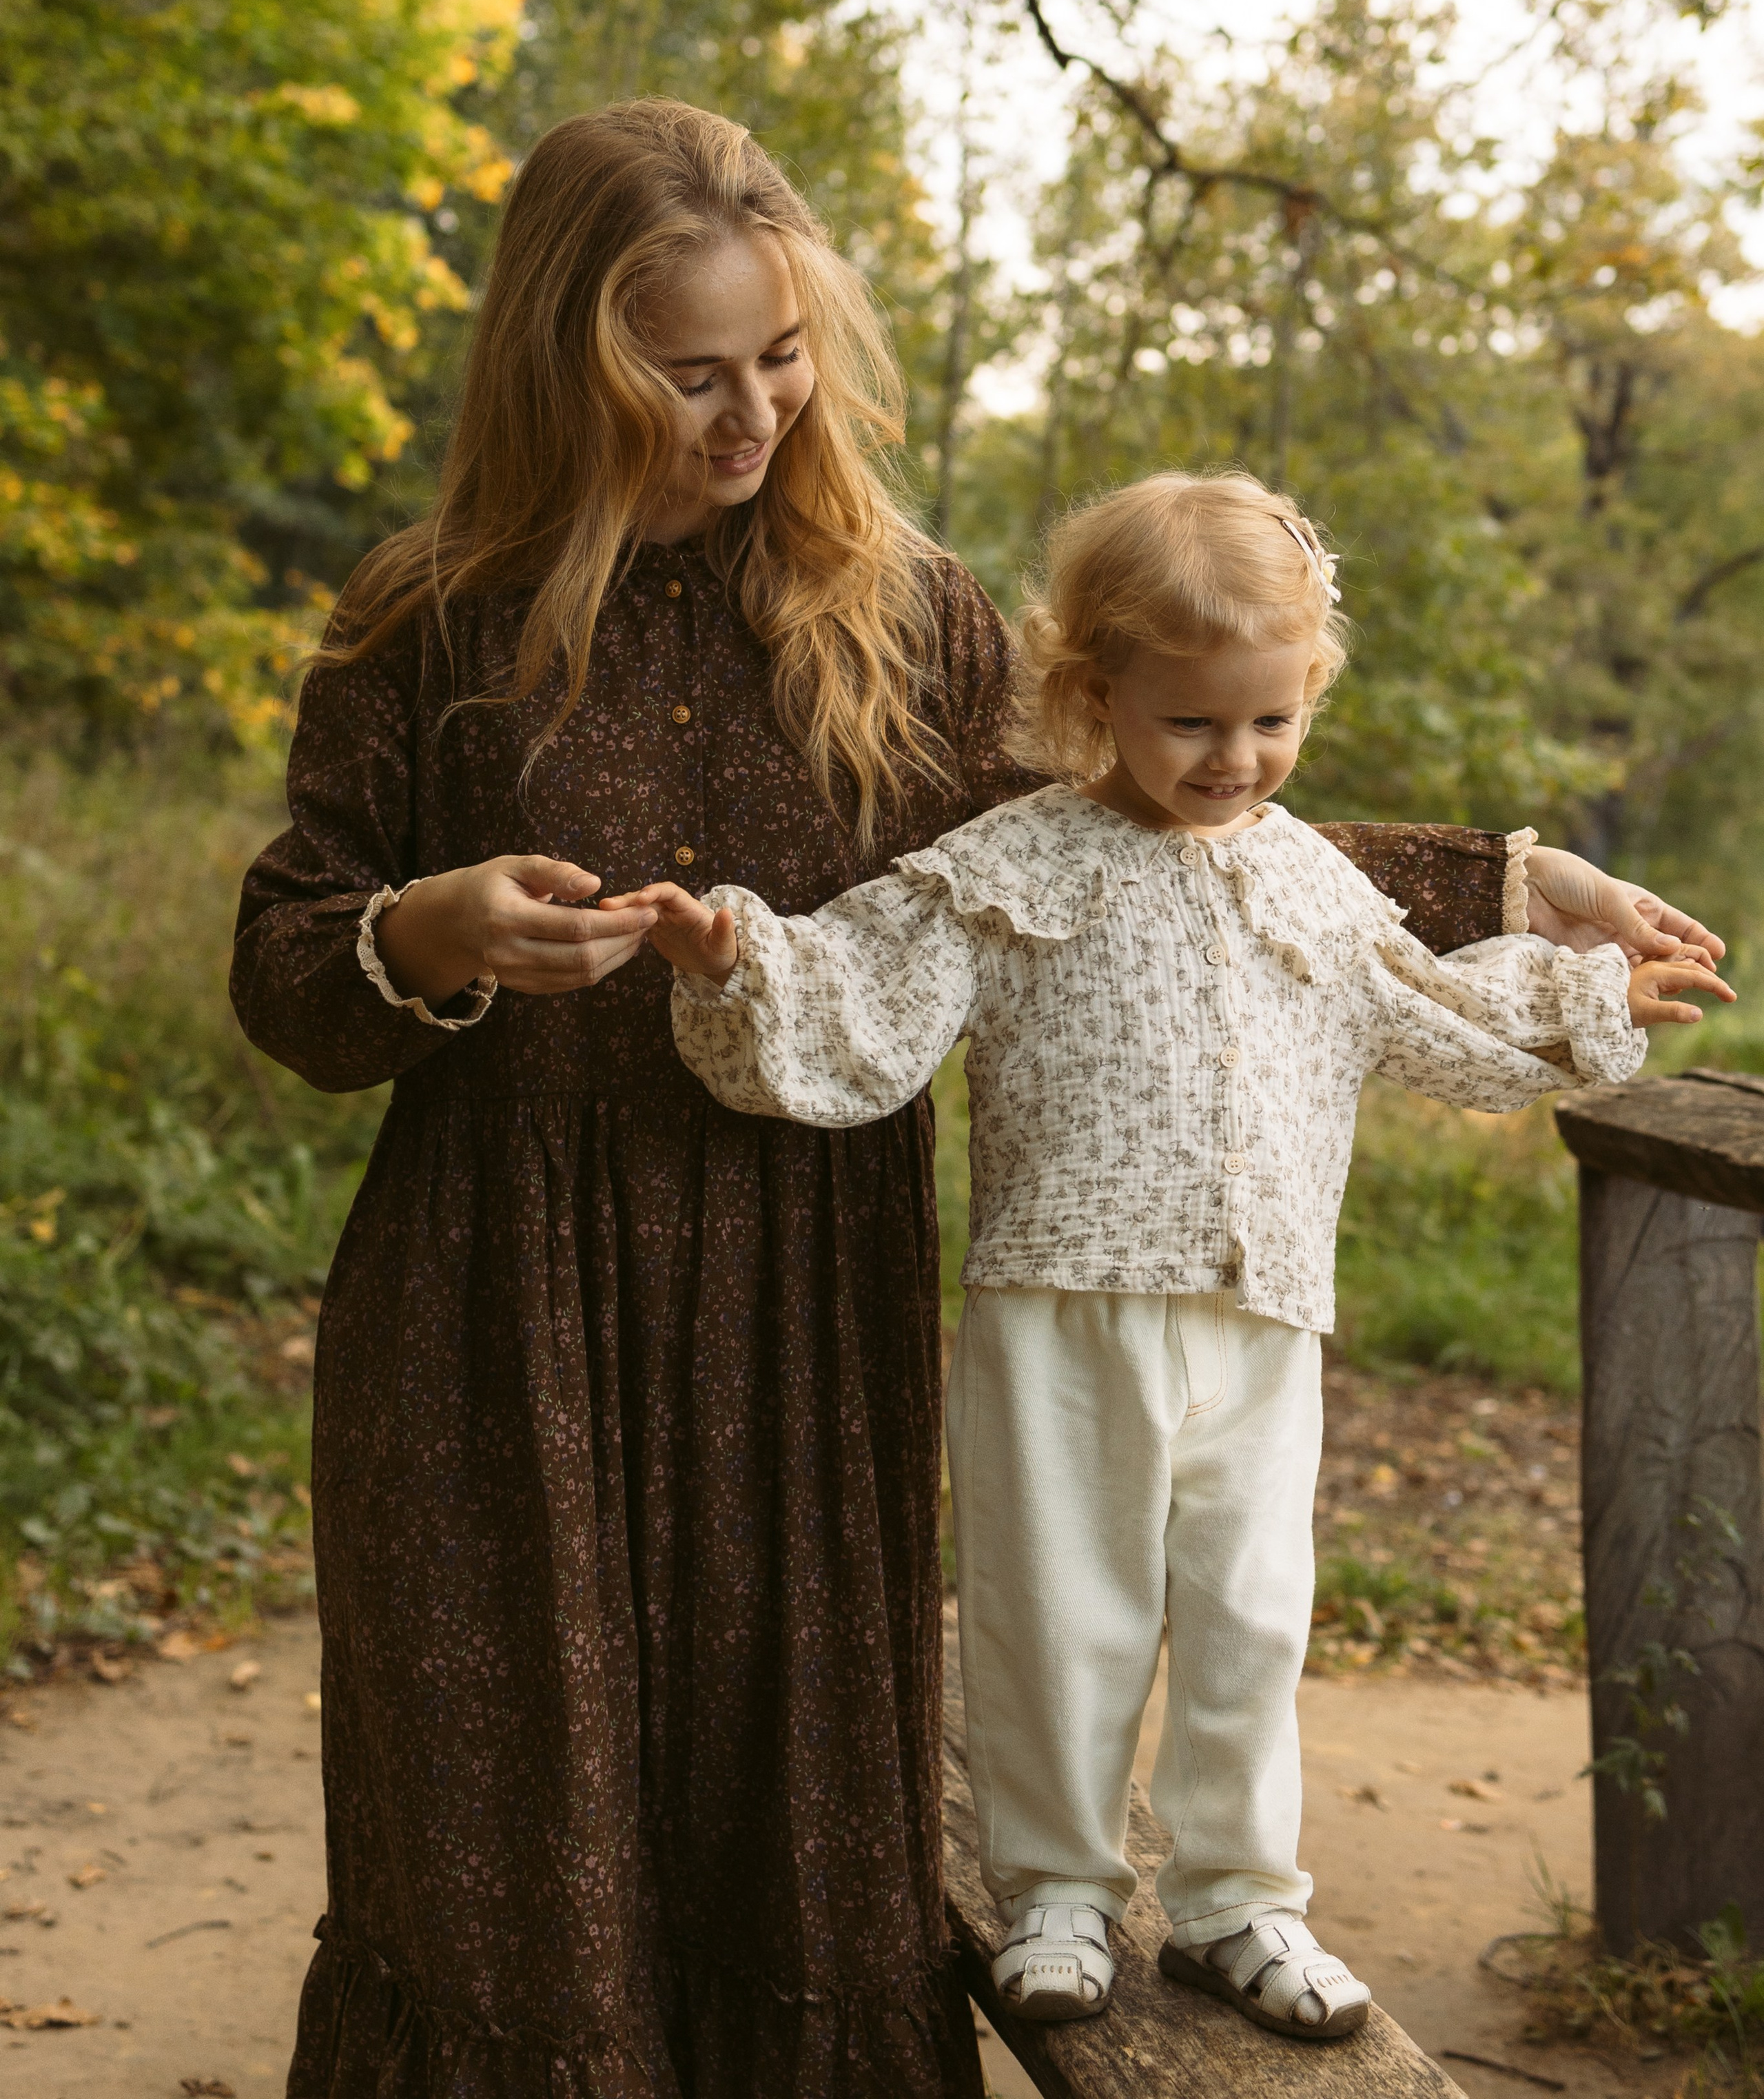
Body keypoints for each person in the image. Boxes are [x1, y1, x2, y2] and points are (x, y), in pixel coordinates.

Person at [232, 103, 1724, 2099]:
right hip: (502, 1303)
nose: (751, 412)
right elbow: (286, 966)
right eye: (689, 373)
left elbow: (1151, 838)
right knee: (507, 1828)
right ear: (564, 361)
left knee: (784, 1824)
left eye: (782, 355)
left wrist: (1516, 883)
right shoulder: (427, 618)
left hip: (796, 1303)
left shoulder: (902, 611)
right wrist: (420, 932)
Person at [615, 471, 1733, 2049]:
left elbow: (1432, 1011)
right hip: (1057, 1312)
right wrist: (745, 963)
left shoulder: (1308, 880)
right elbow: (867, 993)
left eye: (1272, 721)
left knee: (1249, 1615)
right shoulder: (1015, 864)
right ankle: (1057, 1892)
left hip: (1261, 1316)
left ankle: (1235, 1903)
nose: (1236, 758)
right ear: (1095, 696)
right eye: (1192, 722)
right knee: (1054, 1610)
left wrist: (1586, 995)